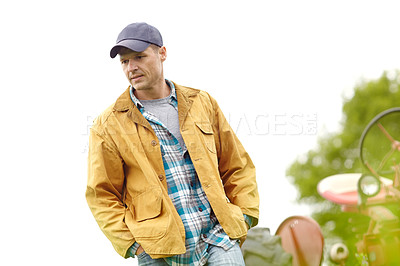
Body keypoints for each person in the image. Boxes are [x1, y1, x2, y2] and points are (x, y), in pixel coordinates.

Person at [86, 22, 259, 266]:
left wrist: (244, 215)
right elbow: (101, 194)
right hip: (159, 252)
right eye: (124, 62)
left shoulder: (201, 102)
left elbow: (237, 164)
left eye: (139, 57)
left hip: (218, 239)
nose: (131, 67)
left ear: (162, 53)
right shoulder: (108, 124)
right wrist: (134, 245)